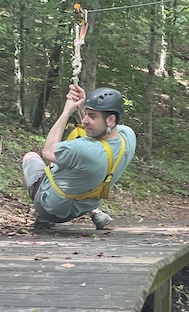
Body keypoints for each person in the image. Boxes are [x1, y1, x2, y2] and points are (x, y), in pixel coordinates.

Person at [22, 83, 136, 230]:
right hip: (85, 205)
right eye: (87, 114)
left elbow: (48, 151)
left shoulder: (83, 150)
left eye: (92, 116)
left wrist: (67, 112)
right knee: (77, 168)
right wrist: (82, 106)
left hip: (51, 209)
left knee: (31, 157)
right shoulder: (128, 136)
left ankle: (42, 217)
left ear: (111, 120)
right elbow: (99, 135)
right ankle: (95, 212)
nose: (85, 120)